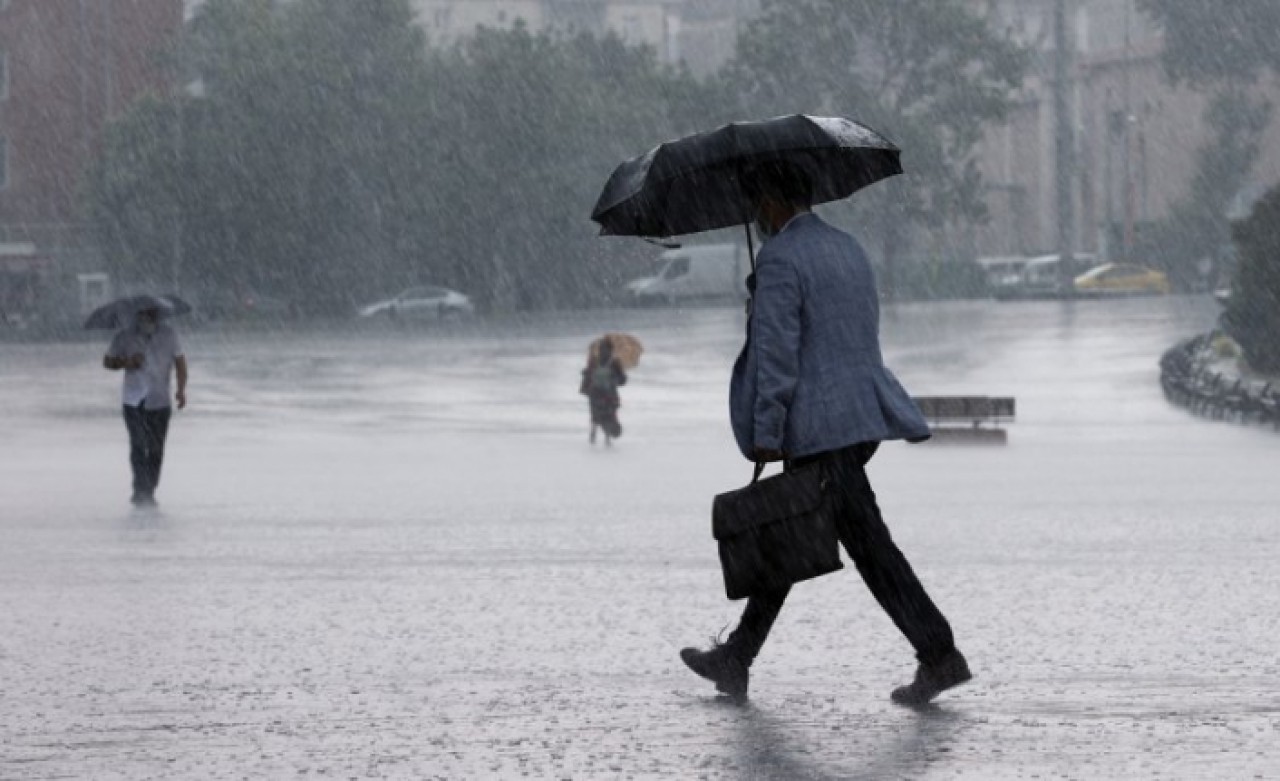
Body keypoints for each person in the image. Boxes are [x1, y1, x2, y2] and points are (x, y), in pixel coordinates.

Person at [679, 161, 971, 706]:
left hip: (816, 429)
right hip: (856, 418)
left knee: (866, 548)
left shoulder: (781, 259)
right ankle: (737, 657)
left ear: (770, 199)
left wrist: (767, 430)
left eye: (754, 203)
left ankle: (940, 654)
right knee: (788, 536)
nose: (754, 216)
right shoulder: (848, 248)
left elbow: (778, 357)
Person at [103, 307, 188, 506]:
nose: (146, 320)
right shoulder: (124, 336)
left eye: (150, 316)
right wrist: (126, 362)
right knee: (139, 444)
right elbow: (107, 361)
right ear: (137, 317)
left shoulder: (170, 335)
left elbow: (181, 363)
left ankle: (150, 487)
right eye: (142, 316)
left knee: (156, 448)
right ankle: (140, 488)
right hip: (133, 400)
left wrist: (181, 390)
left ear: (156, 317)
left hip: (160, 400)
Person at [580, 337, 627, 446]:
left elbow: (587, 376)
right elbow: (622, 380)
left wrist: (586, 386)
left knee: (596, 415)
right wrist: (615, 378)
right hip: (608, 394)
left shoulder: (594, 361)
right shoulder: (614, 362)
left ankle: (594, 435)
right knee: (608, 415)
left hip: (597, 394)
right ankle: (606, 437)